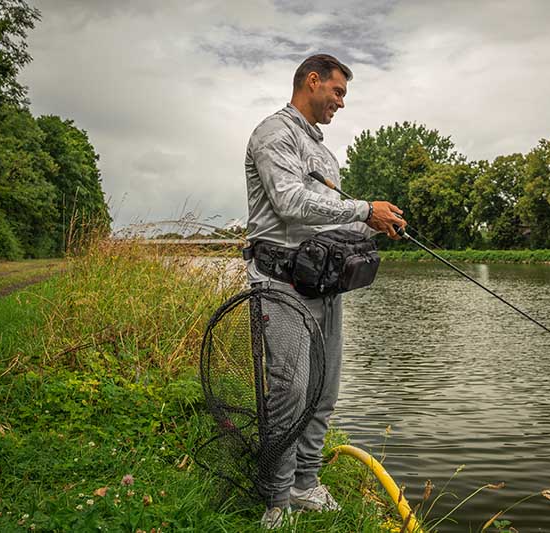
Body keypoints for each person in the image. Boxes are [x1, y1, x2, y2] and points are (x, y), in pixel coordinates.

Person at [243, 53, 406, 528]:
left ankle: (306, 482)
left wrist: (376, 226)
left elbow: (330, 219)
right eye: (337, 92)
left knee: (324, 391)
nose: (341, 103)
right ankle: (276, 501)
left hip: (324, 285)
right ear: (311, 81)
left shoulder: (324, 152)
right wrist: (362, 209)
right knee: (289, 391)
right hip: (280, 283)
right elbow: (291, 204)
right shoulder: (275, 133)